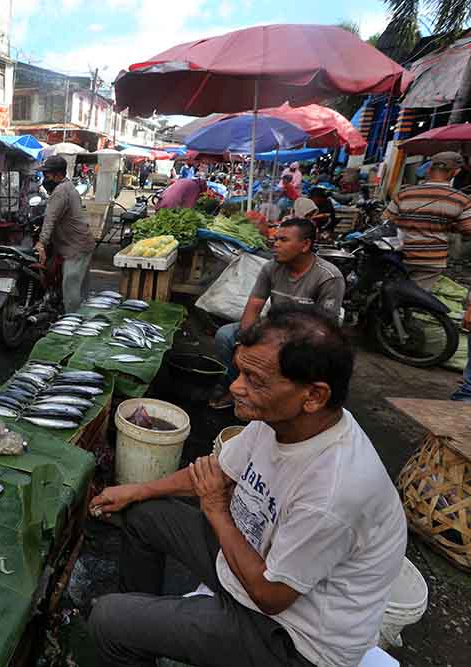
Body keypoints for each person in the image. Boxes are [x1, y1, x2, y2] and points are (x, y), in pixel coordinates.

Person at [89, 305, 407, 667]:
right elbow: (219, 472)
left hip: (289, 636)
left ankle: (132, 631)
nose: (236, 387)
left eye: (255, 380)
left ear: (314, 396)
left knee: (108, 620)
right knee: (144, 514)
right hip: (246, 564)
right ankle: (145, 631)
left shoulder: (335, 490)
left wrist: (217, 510)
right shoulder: (280, 421)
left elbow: (271, 596)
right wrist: (137, 490)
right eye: (239, 372)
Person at [210, 218, 345, 410]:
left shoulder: (328, 276)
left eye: (283, 240)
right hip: (273, 329)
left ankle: (281, 399)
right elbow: (254, 306)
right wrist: (243, 342)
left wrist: (280, 345)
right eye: (275, 239)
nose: (275, 244)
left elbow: (323, 329)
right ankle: (239, 388)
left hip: (306, 338)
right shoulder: (271, 267)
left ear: (305, 245)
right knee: (226, 336)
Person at [383, 151, 471, 288]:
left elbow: (386, 221)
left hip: (398, 256)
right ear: (455, 172)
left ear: (429, 169)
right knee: (415, 299)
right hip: (430, 260)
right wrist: (449, 225)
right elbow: (468, 229)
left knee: (391, 292)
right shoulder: (462, 200)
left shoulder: (405, 193)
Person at [34, 155, 96, 314]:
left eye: (47, 174)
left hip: (76, 248)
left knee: (71, 288)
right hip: (82, 244)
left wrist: (41, 243)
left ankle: (71, 324)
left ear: (57, 174)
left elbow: (50, 219)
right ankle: (81, 319)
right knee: (82, 290)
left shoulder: (61, 191)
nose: (45, 177)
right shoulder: (69, 186)